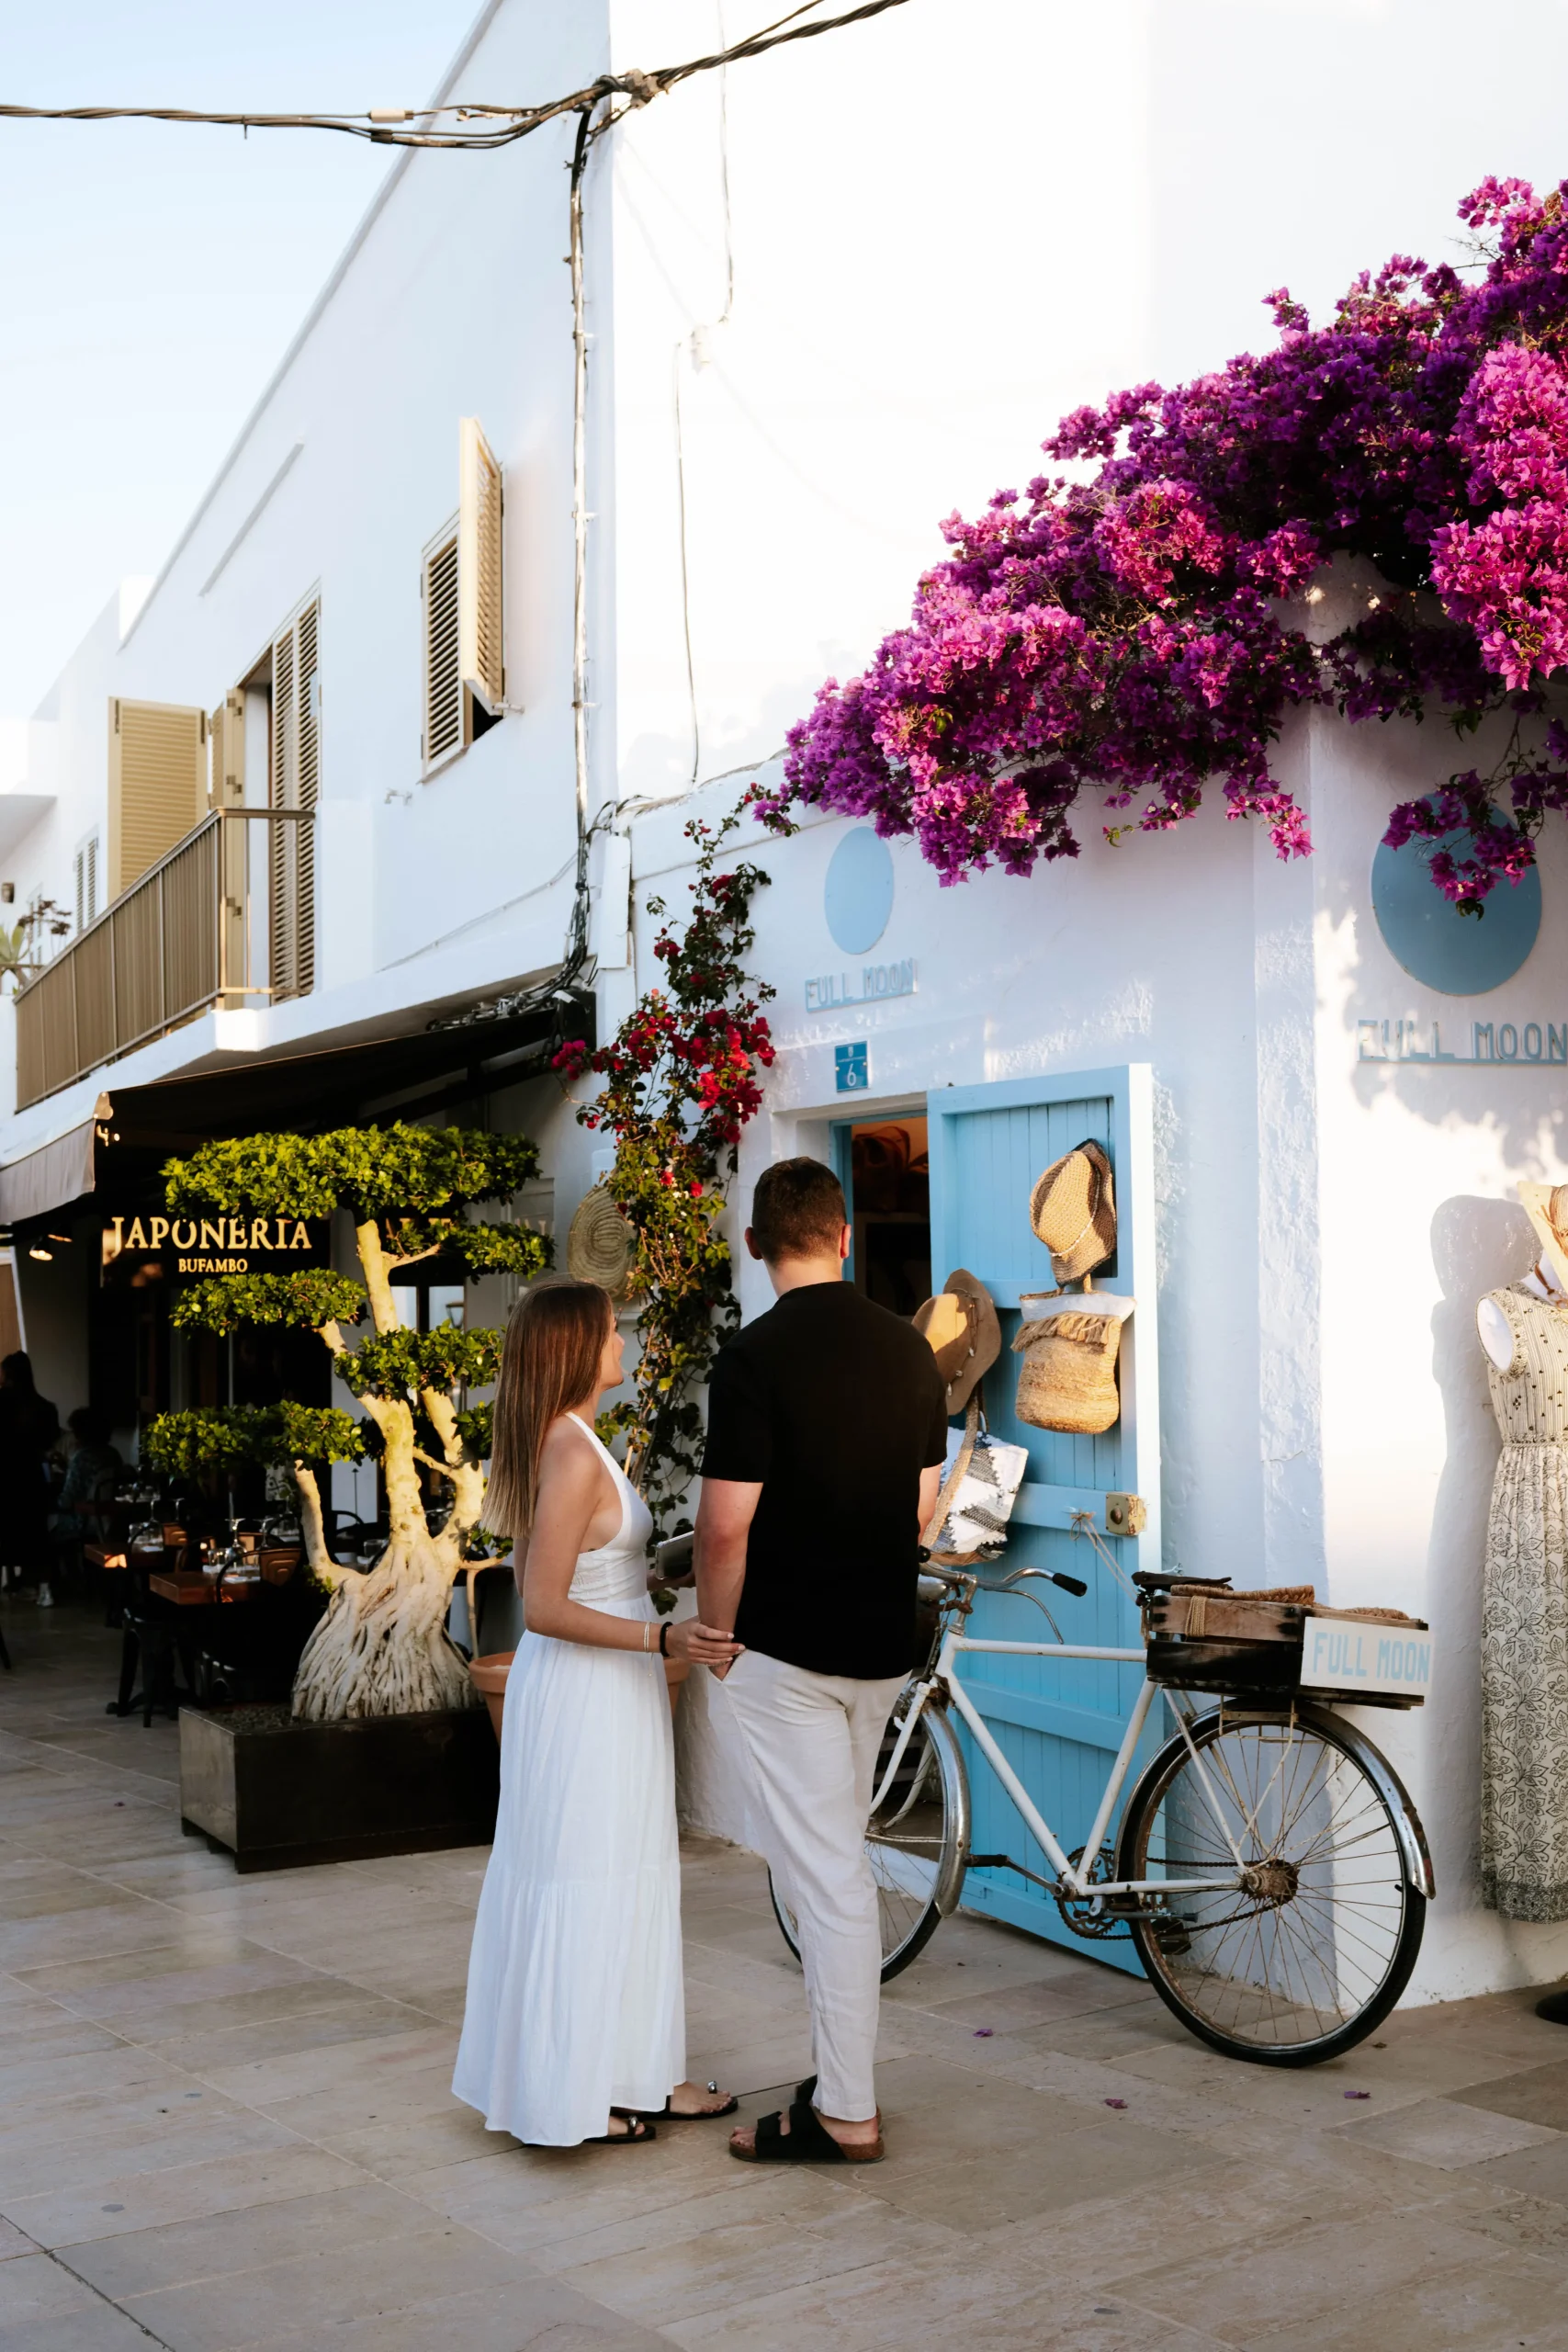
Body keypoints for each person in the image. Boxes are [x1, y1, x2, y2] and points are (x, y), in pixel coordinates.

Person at [695, 1157, 949, 2165]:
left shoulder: (751, 1359)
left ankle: (846, 2107)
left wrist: (714, 1637)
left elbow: (723, 1529)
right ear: (845, 1237)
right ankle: (837, 2073)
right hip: (881, 1645)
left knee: (831, 1880)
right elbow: (924, 1508)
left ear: (757, 1246)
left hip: (786, 1650)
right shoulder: (912, 1352)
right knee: (833, 1860)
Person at [452, 1277, 741, 2146]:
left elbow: (588, 1571)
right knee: (589, 1874)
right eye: (613, 1334)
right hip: (585, 1696)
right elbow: (540, 1606)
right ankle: (575, 2090)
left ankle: (647, 2074)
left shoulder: (574, 1440)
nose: (624, 1345)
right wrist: (662, 1641)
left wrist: (656, 1578)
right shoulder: (572, 1452)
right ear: (578, 1348)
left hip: (604, 1692)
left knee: (629, 1871)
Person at [0, 1352, 60, 1604]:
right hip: (32, 1476)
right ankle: (43, 1589)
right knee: (35, 1532)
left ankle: (13, 1584)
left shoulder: (1, 1402)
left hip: (3, 1476)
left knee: (4, 1531)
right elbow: (49, 1440)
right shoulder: (44, 1407)